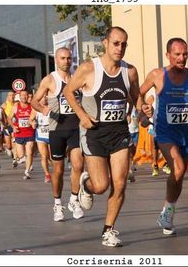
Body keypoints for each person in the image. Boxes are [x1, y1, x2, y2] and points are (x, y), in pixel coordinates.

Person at [63, 27, 140, 247]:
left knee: (120, 183)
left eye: (124, 44)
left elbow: (136, 96)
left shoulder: (130, 71)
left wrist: (142, 111)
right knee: (101, 185)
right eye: (116, 43)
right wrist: (82, 115)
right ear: (105, 43)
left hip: (119, 133)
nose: (120, 48)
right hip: (94, 133)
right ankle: (87, 185)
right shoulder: (89, 69)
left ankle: (109, 230)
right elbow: (68, 91)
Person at [140, 37, 188, 235]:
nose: (182, 58)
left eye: (185, 54)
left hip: (185, 133)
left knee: (179, 176)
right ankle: (168, 212)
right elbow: (138, 92)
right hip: (164, 131)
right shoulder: (157, 75)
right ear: (168, 55)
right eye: (177, 54)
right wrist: (142, 109)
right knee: (178, 168)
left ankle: (167, 212)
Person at [31, 47, 85, 222]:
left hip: (75, 128)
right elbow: (34, 101)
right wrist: (43, 108)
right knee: (59, 171)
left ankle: (74, 199)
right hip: (57, 130)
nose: (66, 61)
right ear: (56, 60)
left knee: (78, 165)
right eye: (63, 58)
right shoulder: (49, 80)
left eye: (69, 58)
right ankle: (57, 203)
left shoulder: (77, 78)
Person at [9, 90, 35, 179]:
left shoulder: (32, 106)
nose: (24, 97)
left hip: (29, 133)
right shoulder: (16, 106)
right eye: (22, 95)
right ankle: (21, 159)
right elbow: (9, 118)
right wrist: (13, 127)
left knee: (30, 153)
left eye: (26, 95)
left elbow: (36, 117)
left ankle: (27, 171)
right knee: (21, 156)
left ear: (28, 97)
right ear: (19, 97)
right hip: (19, 133)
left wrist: (34, 123)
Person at [30, 97, 52, 183]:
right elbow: (30, 119)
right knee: (44, 156)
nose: (44, 99)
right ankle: (47, 174)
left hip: (51, 135)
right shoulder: (36, 109)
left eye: (46, 97)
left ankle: (55, 170)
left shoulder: (52, 106)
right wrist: (32, 123)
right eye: (42, 98)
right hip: (41, 135)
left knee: (51, 156)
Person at [1, 91, 18, 167]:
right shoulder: (4, 105)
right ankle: (7, 148)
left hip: (14, 125)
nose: (12, 97)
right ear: (7, 97)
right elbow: (0, 114)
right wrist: (2, 123)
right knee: (9, 146)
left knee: (14, 142)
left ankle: (15, 159)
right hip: (7, 126)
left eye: (13, 95)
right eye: (10, 95)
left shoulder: (16, 104)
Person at [127, 104, 139, 182]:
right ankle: (129, 169)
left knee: (134, 149)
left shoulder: (135, 105)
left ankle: (132, 163)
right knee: (128, 151)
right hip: (128, 131)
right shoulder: (124, 104)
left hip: (136, 130)